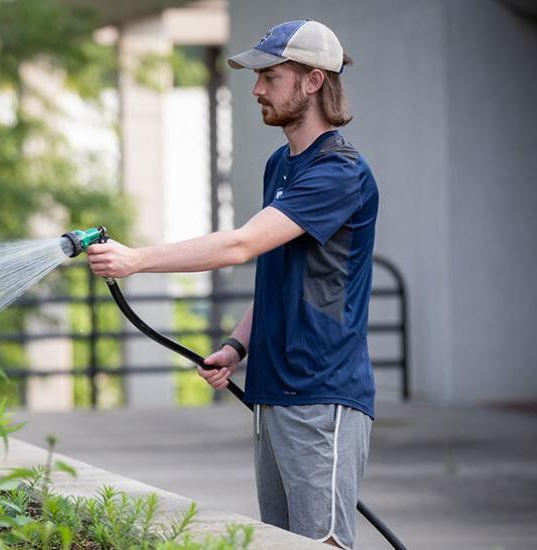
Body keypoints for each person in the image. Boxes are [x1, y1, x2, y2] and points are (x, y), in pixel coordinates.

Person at [87, 20, 377, 549]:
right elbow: (277, 272)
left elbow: (239, 246)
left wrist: (136, 260)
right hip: (273, 390)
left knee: (323, 544)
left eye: (270, 74)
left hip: (319, 391)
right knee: (283, 543)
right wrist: (237, 345)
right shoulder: (281, 166)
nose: (257, 88)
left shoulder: (340, 172)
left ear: (313, 81)